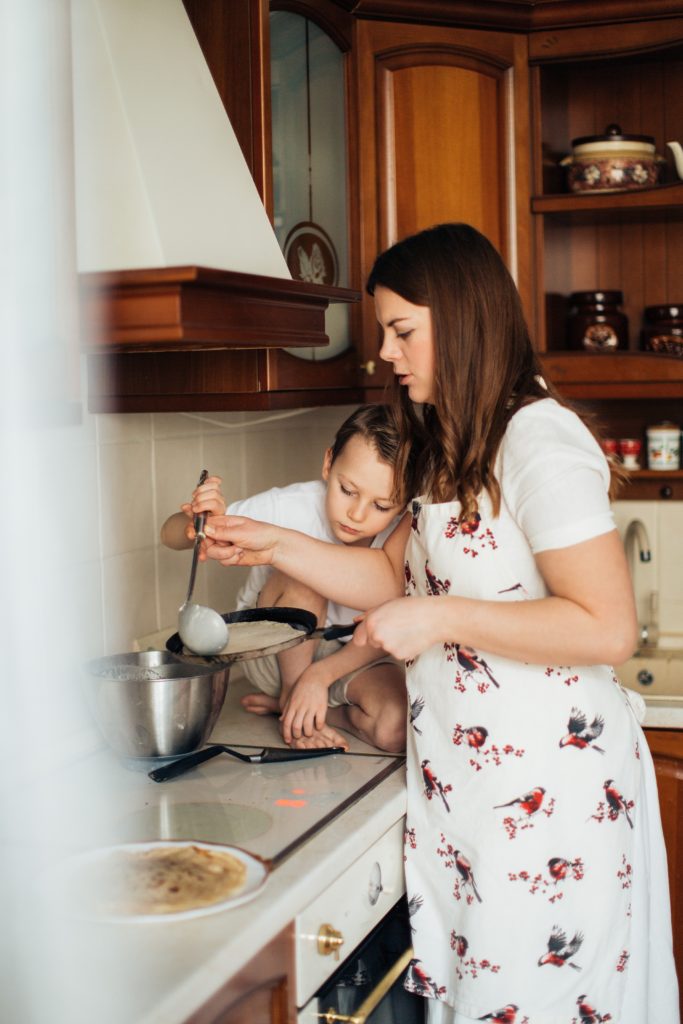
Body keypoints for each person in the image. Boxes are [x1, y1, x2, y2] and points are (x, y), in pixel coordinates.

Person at [199, 223, 679, 1023]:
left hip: (547, 800)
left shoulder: (538, 440)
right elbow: (393, 577)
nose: (385, 352)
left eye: (401, 331)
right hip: (465, 792)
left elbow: (604, 628)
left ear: (460, 319)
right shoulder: (442, 439)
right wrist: (274, 541)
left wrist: (441, 617)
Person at [161, 404, 407, 754]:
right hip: (275, 654)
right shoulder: (291, 505)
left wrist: (319, 678)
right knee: (306, 576)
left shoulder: (403, 537)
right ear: (328, 464)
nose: (357, 513)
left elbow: (396, 623)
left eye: (382, 506)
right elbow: (168, 534)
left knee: (397, 728)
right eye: (347, 490)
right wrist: (198, 523)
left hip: (354, 656)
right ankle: (293, 694)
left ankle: (305, 708)